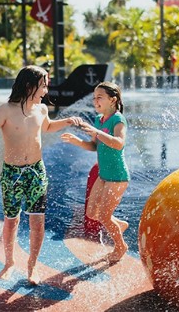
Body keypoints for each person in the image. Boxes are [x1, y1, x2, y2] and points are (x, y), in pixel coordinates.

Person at [0, 65, 83, 285]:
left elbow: (46, 128)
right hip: (12, 174)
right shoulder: (6, 110)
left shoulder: (41, 109)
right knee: (11, 221)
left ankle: (32, 265)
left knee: (38, 222)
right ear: (29, 85)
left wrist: (67, 121)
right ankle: (9, 263)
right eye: (43, 85)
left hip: (36, 172)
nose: (46, 90)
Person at [60, 81, 130, 262]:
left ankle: (120, 247)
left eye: (100, 97)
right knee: (92, 213)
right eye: (94, 98)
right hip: (103, 175)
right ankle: (119, 224)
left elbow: (118, 143)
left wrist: (95, 132)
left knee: (105, 217)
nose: (95, 101)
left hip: (117, 176)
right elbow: (93, 146)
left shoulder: (118, 120)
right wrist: (77, 140)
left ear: (112, 100)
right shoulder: (99, 120)